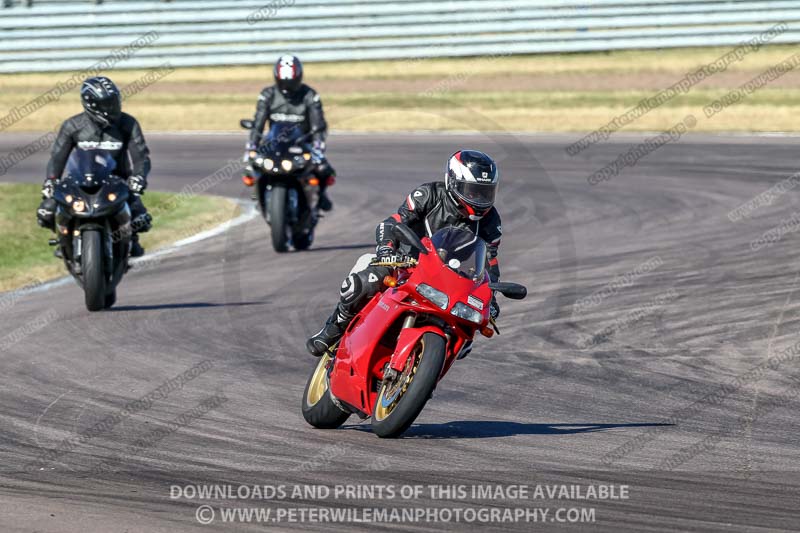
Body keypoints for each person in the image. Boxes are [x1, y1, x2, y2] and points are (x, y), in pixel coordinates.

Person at [307, 150, 503, 357]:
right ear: (453, 182)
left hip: (449, 278)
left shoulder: (491, 219)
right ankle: (334, 327)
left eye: (485, 192)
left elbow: (490, 261)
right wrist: (386, 250)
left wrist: (491, 296)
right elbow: (393, 222)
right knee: (364, 282)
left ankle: (425, 374)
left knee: (466, 333)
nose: (479, 199)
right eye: (472, 191)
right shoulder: (429, 194)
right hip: (405, 263)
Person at [37, 76, 152, 257]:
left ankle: (130, 239)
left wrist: (139, 177)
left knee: (141, 219)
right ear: (91, 104)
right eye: (107, 104)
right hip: (79, 180)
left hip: (118, 181)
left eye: (114, 102)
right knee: (46, 212)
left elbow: (142, 157)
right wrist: (51, 181)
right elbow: (57, 158)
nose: (113, 107)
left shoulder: (128, 124)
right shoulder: (72, 126)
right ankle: (63, 240)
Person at [245, 54, 336, 211]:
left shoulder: (310, 95)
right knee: (251, 168)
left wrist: (318, 146)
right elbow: (257, 123)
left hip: (303, 143)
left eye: (291, 82)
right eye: (283, 82)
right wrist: (252, 145)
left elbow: (318, 124)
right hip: (274, 143)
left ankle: (321, 195)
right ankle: (256, 197)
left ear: (299, 77)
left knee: (324, 170)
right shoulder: (268, 95)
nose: (287, 87)